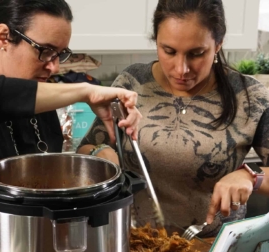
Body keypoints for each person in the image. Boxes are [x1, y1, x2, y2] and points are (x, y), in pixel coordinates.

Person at [77, 0, 269, 237]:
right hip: (133, 244)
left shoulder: (250, 97)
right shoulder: (132, 82)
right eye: (168, 51)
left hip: (216, 248)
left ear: (218, 44)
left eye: (196, 54)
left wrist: (251, 177)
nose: (181, 69)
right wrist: (100, 154)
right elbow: (84, 150)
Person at [0, 0, 141, 186]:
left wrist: (93, 156)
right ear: (3, 37)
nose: (54, 67)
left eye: (60, 54)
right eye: (45, 51)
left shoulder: (41, 92)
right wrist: (85, 91)